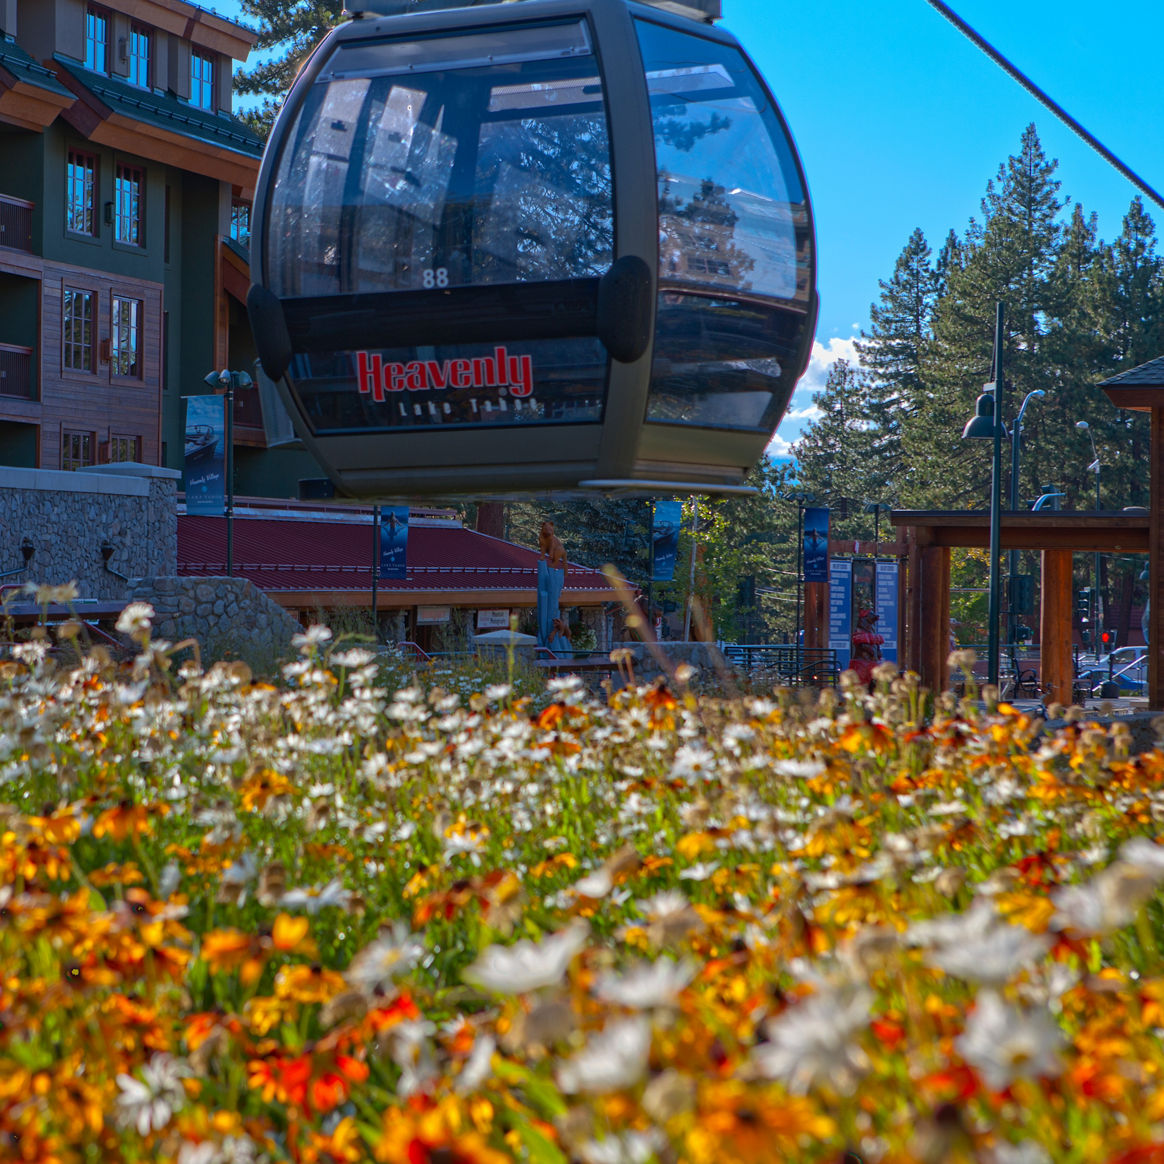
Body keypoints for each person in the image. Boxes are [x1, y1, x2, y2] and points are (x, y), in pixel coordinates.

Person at [537, 521, 566, 647]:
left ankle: (554, 567)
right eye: (546, 528)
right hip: (546, 634)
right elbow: (543, 547)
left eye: (550, 528)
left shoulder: (554, 540)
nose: (548, 530)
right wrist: (543, 556)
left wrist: (553, 557)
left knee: (554, 568)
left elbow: (554, 548)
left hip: (557, 552)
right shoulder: (542, 538)